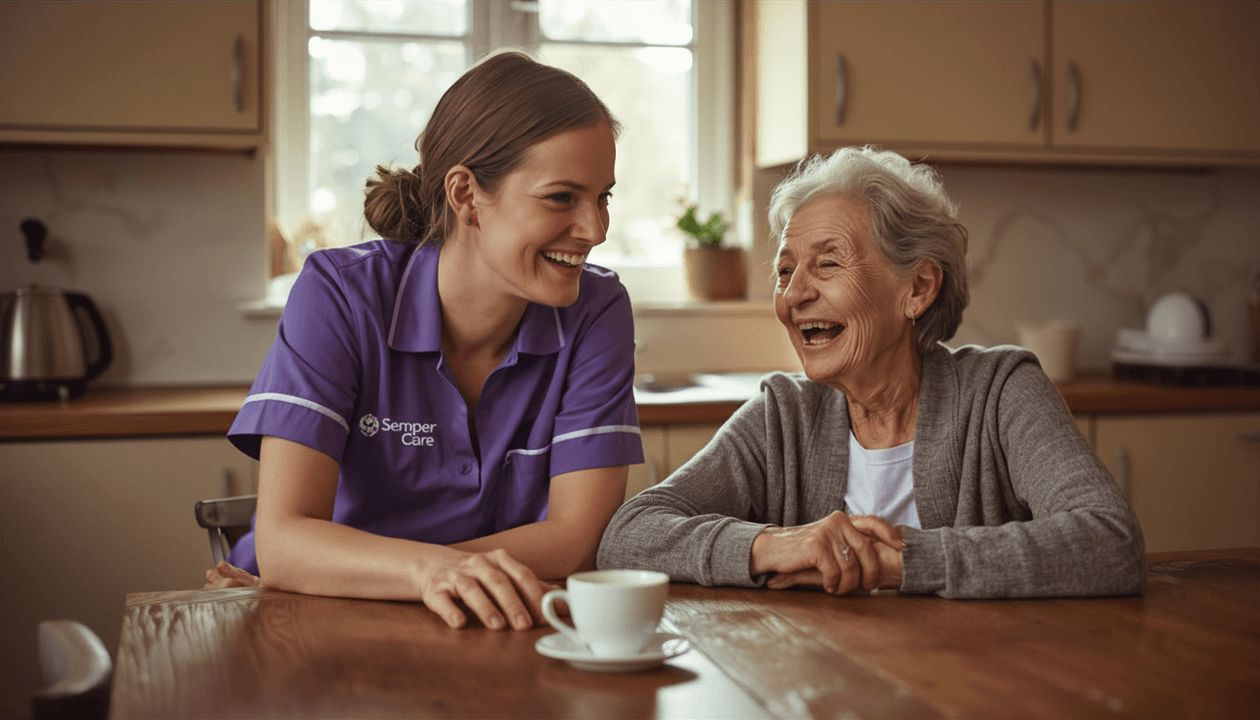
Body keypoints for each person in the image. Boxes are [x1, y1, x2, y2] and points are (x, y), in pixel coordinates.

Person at [208, 52, 643, 631]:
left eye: (603, 197)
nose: (595, 229)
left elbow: (576, 542)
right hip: (322, 632)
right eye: (562, 197)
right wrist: (402, 573)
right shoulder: (339, 293)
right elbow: (284, 540)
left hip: (458, 619)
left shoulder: (597, 309)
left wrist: (340, 575)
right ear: (465, 194)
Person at [598, 146, 1145, 598]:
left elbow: (1109, 540)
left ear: (918, 289)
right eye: (785, 271)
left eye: (828, 263)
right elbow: (628, 534)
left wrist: (899, 562)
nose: (794, 295)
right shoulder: (784, 416)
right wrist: (778, 545)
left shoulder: (1001, 392)